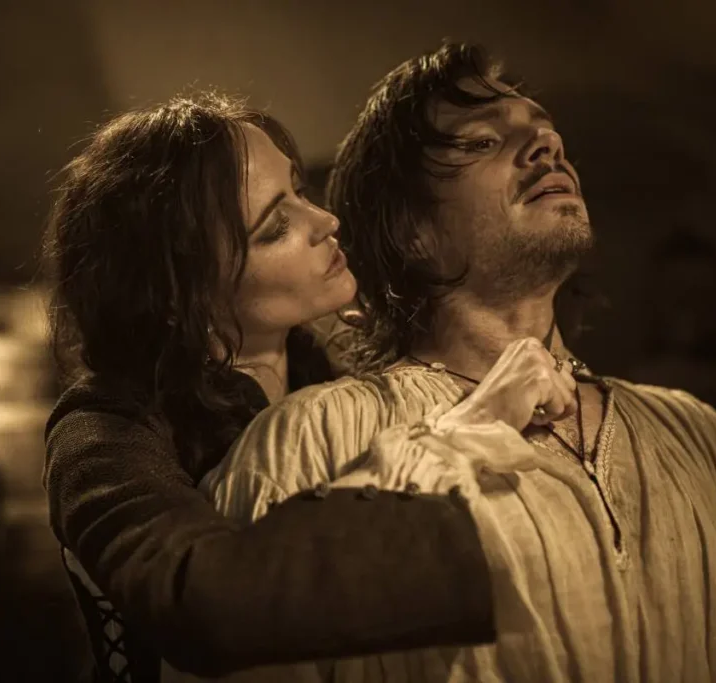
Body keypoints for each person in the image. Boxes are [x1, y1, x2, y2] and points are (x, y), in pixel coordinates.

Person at [197, 43, 716, 682]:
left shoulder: (700, 440)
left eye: (546, 132)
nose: (545, 144)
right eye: (482, 141)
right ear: (411, 230)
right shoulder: (315, 439)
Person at [42, 94, 550, 682]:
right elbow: (204, 603)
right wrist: (465, 442)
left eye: (300, 191)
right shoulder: (103, 432)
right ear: (181, 295)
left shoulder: (336, 375)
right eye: (277, 226)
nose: (325, 221)